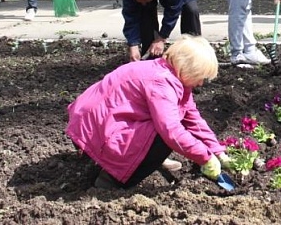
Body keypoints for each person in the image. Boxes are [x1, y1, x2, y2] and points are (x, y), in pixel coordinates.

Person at [66, 36, 232, 189]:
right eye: (201, 77)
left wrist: (217, 151)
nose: (201, 83)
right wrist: (205, 157)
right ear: (188, 69)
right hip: (95, 129)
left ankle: (131, 159)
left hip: (88, 123)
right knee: (164, 138)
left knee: (170, 122)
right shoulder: (162, 83)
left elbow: (192, 117)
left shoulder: (165, 71)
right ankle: (111, 181)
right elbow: (171, 130)